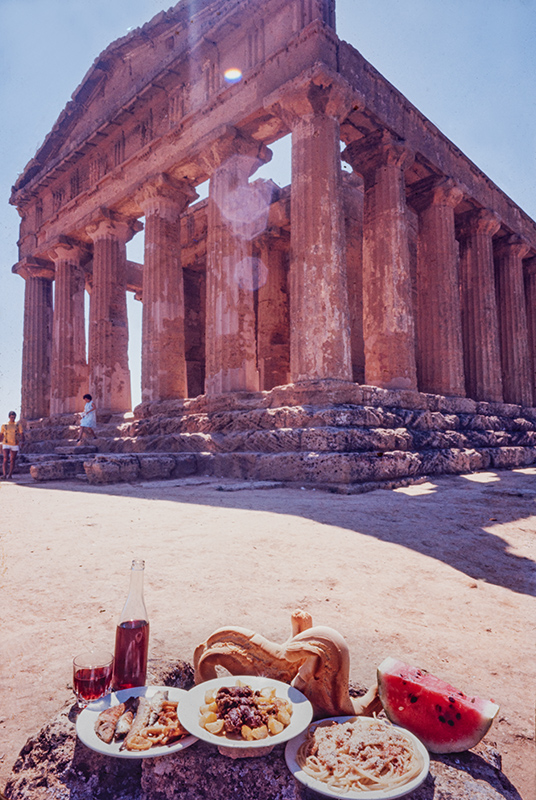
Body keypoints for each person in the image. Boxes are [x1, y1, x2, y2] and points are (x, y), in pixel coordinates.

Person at [1, 411, 24, 480]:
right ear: (9, 417)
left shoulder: (18, 425)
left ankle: (10, 474)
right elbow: (1, 434)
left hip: (15, 443)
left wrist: (22, 441)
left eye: (14, 417)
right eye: (11, 417)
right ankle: (4, 474)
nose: (13, 418)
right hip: (6, 443)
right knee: (5, 458)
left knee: (12, 459)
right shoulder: (4, 425)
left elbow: (21, 434)